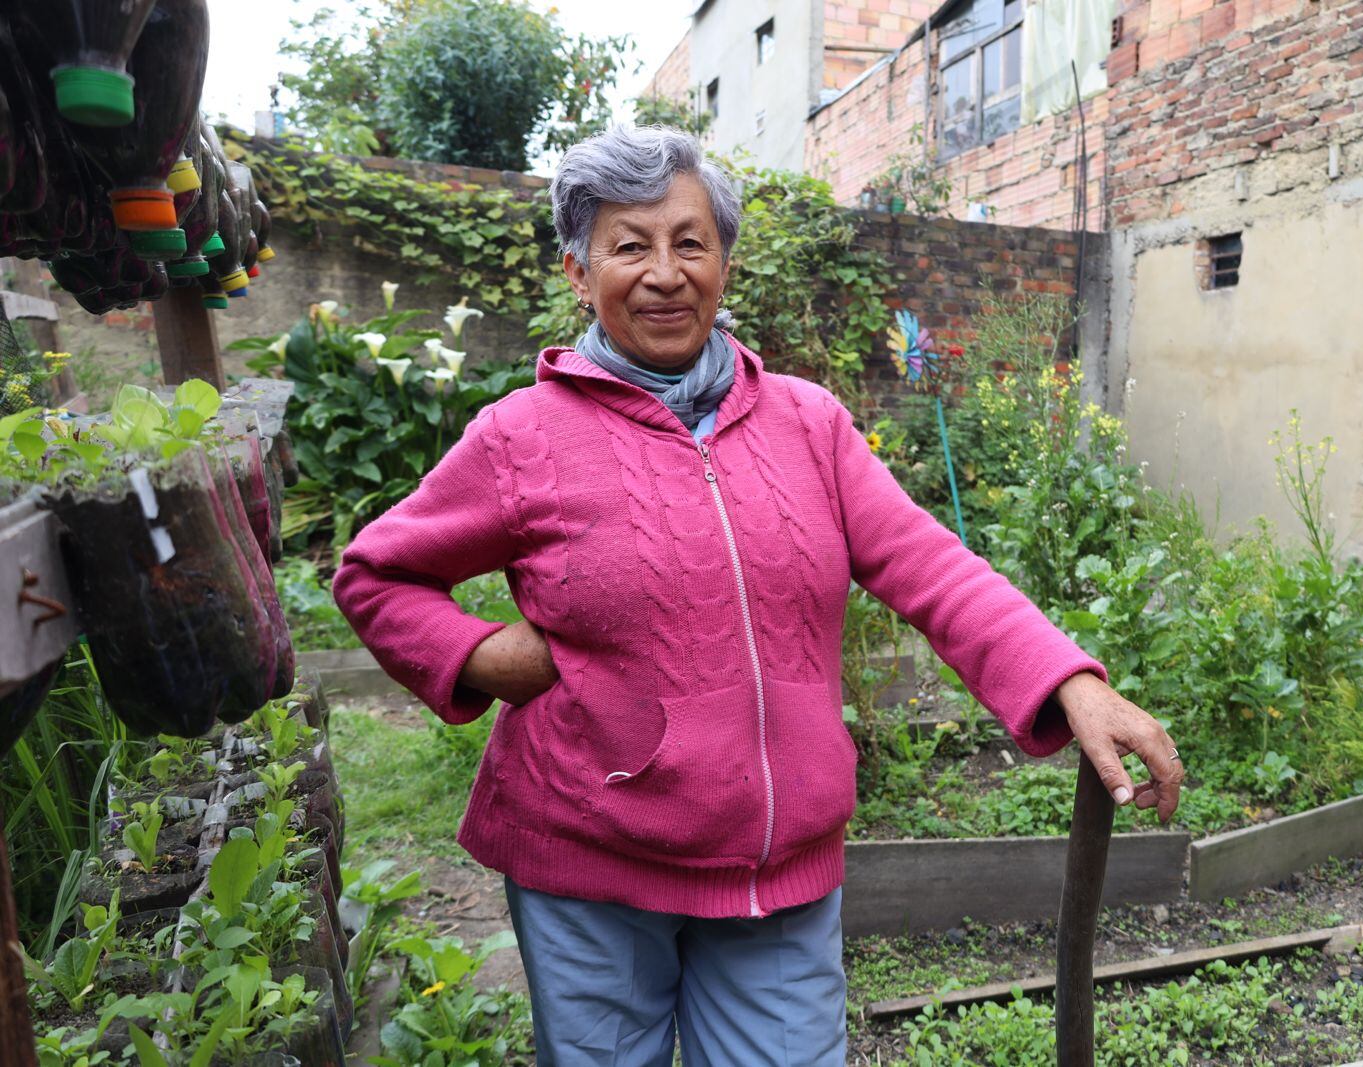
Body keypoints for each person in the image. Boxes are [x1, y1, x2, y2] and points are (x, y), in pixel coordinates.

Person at [332, 124, 1185, 1067]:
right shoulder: (520, 436)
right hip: (593, 863)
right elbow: (376, 575)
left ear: (724, 264)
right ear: (580, 273)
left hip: (782, 875)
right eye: (630, 245)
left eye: (690, 242)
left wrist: (1070, 681)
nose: (665, 272)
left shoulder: (809, 424)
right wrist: (486, 656)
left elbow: (931, 565)